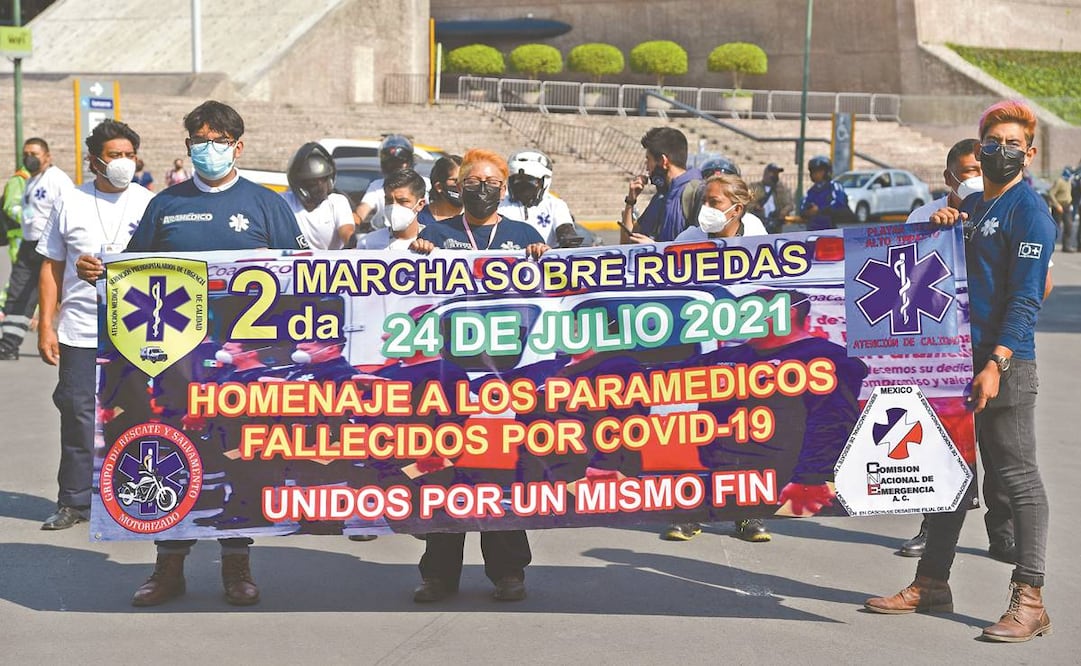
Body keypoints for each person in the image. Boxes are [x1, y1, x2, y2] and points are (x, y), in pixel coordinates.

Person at [77, 100, 308, 608]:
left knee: (239, 456)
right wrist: (99, 272)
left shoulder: (267, 204)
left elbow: (303, 277)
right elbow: (129, 271)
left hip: (244, 368)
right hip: (173, 364)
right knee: (171, 451)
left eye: (217, 141)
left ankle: (237, 565)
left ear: (237, 147)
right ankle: (168, 566)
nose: (207, 149)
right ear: (187, 147)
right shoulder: (166, 204)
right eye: (198, 141)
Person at [866, 100, 1055, 643]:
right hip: (954, 365)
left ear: (1030, 152)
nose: (1002, 149)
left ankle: (1031, 598)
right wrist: (940, 228)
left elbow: (1026, 300)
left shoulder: (1029, 212)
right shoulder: (977, 211)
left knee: (1017, 478)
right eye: (993, 140)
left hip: (1004, 368)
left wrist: (997, 363)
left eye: (1013, 143)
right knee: (949, 474)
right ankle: (931, 583)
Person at [409, 148, 548, 603]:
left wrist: (543, 257)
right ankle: (438, 575)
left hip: (504, 380)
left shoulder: (523, 234)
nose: (483, 189)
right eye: (474, 181)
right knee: (446, 473)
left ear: (504, 188)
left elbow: (552, 294)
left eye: (491, 182)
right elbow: (405, 293)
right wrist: (416, 255)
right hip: (449, 377)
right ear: (458, 186)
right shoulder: (437, 233)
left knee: (498, 473)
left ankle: (508, 571)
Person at [900, 138, 1015, 562]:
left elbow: (1037, 284)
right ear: (949, 177)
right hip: (942, 349)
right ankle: (933, 529)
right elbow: (901, 284)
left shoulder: (1005, 212)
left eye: (981, 168)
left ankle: (1003, 534)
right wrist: (934, 232)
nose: (976, 177)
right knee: (943, 445)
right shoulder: (924, 215)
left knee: (998, 449)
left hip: (989, 347)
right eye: (967, 170)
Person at [35, 120, 154, 531]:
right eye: (113, 155)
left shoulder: (149, 203)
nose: (122, 162)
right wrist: (46, 326)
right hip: (81, 328)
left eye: (128, 155)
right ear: (93, 160)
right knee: (78, 411)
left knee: (139, 412)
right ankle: (74, 501)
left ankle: (138, 495)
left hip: (140, 330)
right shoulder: (71, 201)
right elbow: (50, 266)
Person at [664, 173, 770, 543]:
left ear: (737, 209)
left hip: (745, 351)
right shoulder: (690, 238)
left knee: (747, 431)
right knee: (700, 430)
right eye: (703, 202)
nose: (705, 210)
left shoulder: (758, 236)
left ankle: (747, 513)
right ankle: (692, 510)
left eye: (714, 203)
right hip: (700, 350)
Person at [0, 138, 73, 360]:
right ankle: (8, 344)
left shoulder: (57, 179)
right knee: (18, 293)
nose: (29, 157)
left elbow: (69, 210)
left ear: (47, 156)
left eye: (34, 153)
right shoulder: (30, 181)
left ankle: (66, 342)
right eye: (26, 153)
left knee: (57, 295)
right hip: (28, 244)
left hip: (49, 245)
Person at [623, 127, 702, 243]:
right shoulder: (660, 197)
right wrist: (630, 201)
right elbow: (626, 244)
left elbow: (702, 250)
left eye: (648, 160)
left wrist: (656, 249)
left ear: (663, 161)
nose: (646, 168)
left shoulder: (698, 194)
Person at [498, 149, 580, 248]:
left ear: (544, 181)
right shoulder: (499, 203)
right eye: (517, 179)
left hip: (544, 260)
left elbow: (567, 233)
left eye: (531, 180)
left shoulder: (555, 205)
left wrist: (567, 237)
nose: (523, 185)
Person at [282, 142, 355, 249]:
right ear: (300, 183)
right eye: (313, 183)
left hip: (329, 264)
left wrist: (352, 242)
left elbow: (347, 231)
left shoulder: (337, 202)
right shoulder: (284, 202)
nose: (320, 186)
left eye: (324, 180)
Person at [354, 134, 431, 231]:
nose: (396, 167)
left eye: (400, 163)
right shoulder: (377, 186)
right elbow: (362, 210)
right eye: (391, 163)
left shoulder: (424, 184)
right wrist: (352, 225)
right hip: (384, 239)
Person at [355, 168, 426, 250]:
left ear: (420, 204)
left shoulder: (432, 240)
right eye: (389, 200)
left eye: (402, 201)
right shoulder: (368, 243)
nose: (393, 206)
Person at [799, 155, 849, 231]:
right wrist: (807, 212)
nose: (816, 174)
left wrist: (819, 210)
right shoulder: (811, 191)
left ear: (827, 172)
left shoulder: (835, 186)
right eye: (813, 172)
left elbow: (839, 203)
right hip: (812, 229)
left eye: (819, 171)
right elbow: (803, 207)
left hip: (830, 229)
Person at [418, 154, 462, 226]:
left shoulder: (475, 219)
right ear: (439, 186)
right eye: (455, 180)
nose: (462, 184)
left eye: (466, 180)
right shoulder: (419, 219)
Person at [749, 163, 794, 233]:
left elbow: (790, 204)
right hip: (760, 221)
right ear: (766, 174)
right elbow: (747, 202)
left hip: (776, 222)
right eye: (773, 173)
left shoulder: (782, 188)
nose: (775, 175)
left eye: (777, 173)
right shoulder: (754, 187)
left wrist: (784, 211)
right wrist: (755, 206)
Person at [1047, 166, 1072, 249]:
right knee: (1056, 227)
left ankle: (1066, 246)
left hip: (1067, 206)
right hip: (1059, 206)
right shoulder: (1059, 181)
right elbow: (1051, 193)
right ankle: (1050, 245)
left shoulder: (1068, 182)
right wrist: (1057, 205)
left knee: (1069, 226)